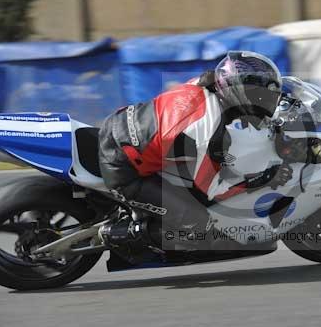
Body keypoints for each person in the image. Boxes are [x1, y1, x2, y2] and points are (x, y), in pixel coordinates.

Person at [98, 51, 293, 246]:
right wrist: (265, 177)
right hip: (122, 166)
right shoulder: (208, 131)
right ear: (239, 91)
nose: (265, 99)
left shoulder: (208, 84)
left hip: (123, 124)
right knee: (198, 223)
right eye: (258, 93)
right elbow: (212, 190)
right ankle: (123, 235)